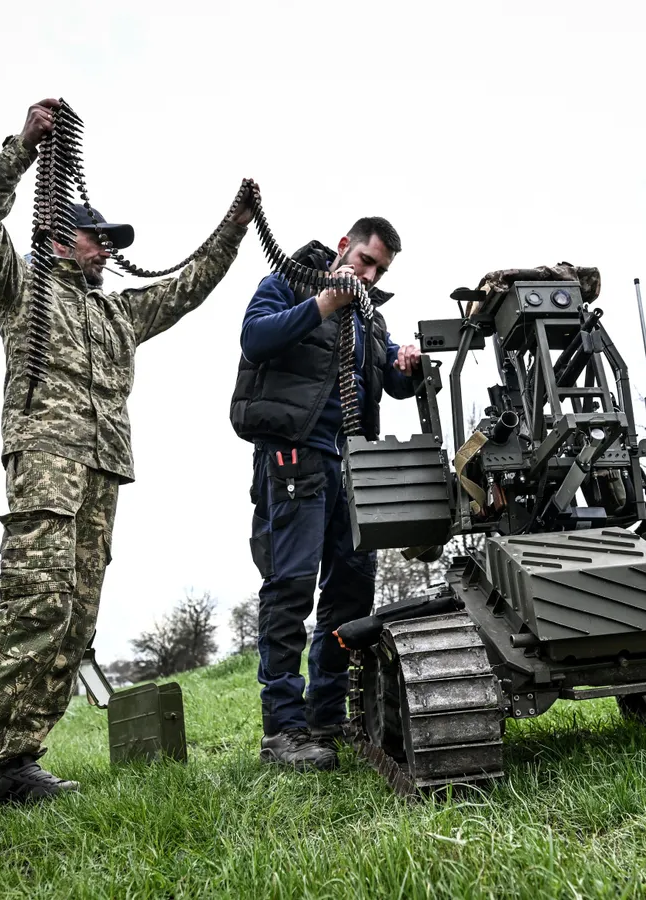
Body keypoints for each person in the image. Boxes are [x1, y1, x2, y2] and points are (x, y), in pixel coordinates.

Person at [0, 98, 254, 814]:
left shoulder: (116, 314)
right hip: (45, 459)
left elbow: (187, 288)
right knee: (36, 603)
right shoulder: (23, 287)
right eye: (97, 238)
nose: (106, 248)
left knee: (74, 623)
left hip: (103, 473)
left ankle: (16, 764)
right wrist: (21, 147)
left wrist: (235, 225)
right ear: (63, 239)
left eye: (108, 241)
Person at [230, 218, 420, 770]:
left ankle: (327, 717)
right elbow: (255, 338)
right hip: (296, 457)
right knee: (290, 587)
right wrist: (324, 305)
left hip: (354, 465)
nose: (370, 273)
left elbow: (382, 380)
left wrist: (406, 366)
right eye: (366, 260)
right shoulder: (289, 283)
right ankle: (283, 730)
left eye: (380, 269)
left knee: (351, 593)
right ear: (344, 246)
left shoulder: (370, 316)